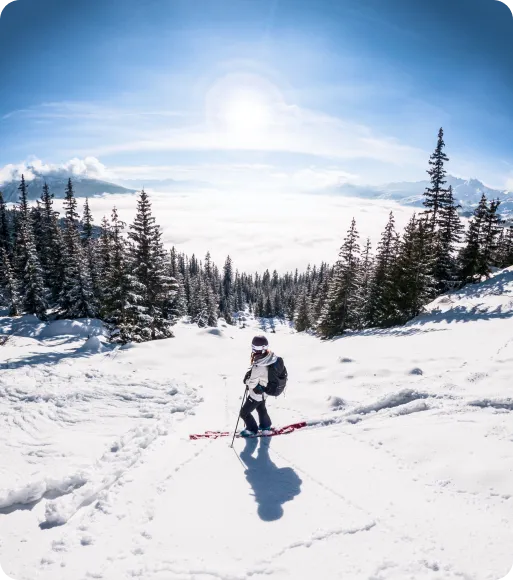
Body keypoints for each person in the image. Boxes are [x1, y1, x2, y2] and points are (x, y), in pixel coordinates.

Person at [239, 335, 286, 437]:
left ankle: (252, 429)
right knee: (261, 408)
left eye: (254, 348)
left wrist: (246, 380)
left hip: (256, 394)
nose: (253, 350)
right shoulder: (270, 357)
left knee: (244, 413)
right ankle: (266, 426)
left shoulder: (258, 366)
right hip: (264, 391)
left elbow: (252, 383)